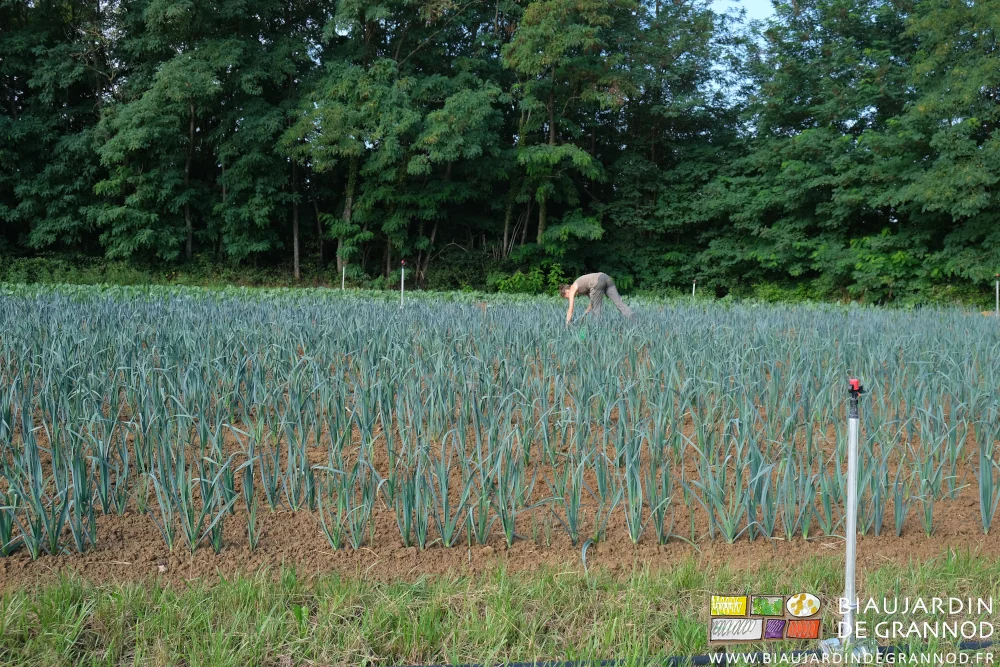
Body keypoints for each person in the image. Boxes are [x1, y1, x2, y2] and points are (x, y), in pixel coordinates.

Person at [560, 272, 634, 326]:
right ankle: (637, 322)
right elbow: (593, 301)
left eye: (567, 297)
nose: (569, 298)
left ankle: (597, 332)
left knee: (596, 311)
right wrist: (586, 312)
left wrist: (567, 324)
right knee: (619, 303)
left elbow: (570, 309)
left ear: (567, 291)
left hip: (597, 281)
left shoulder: (573, 288)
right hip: (605, 277)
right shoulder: (582, 288)